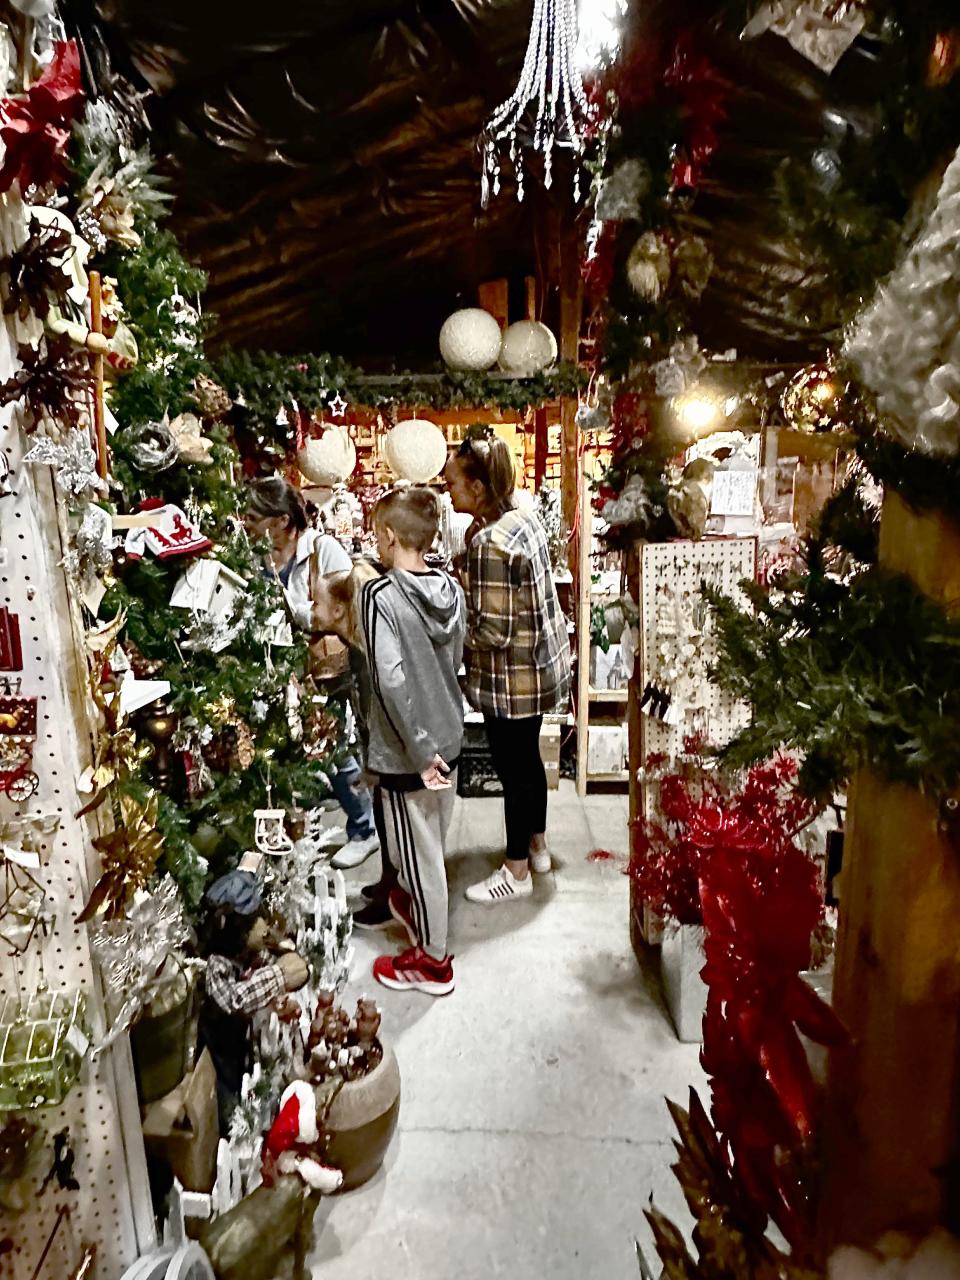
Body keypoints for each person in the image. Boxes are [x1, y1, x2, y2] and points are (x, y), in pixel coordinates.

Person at [444, 433, 571, 905]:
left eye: (454, 482)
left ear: (477, 488)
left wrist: (455, 642)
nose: (448, 491)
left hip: (511, 679)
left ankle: (515, 869)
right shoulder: (522, 518)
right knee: (529, 762)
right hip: (539, 666)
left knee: (513, 769)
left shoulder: (491, 543)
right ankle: (536, 845)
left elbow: (492, 633)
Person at [360, 486, 466, 996]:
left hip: (411, 751)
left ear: (387, 536)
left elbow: (389, 678)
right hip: (450, 734)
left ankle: (432, 961)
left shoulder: (382, 597)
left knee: (418, 856)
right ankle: (417, 910)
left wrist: (418, 752)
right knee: (432, 848)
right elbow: (454, 661)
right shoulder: (451, 589)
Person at [244, 477, 380, 870]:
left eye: (256, 517)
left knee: (332, 745)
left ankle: (363, 829)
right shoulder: (256, 557)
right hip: (275, 666)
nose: (248, 524)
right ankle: (290, 830)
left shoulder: (324, 551)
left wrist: (296, 612)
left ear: (282, 520)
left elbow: (344, 612)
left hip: (323, 666)